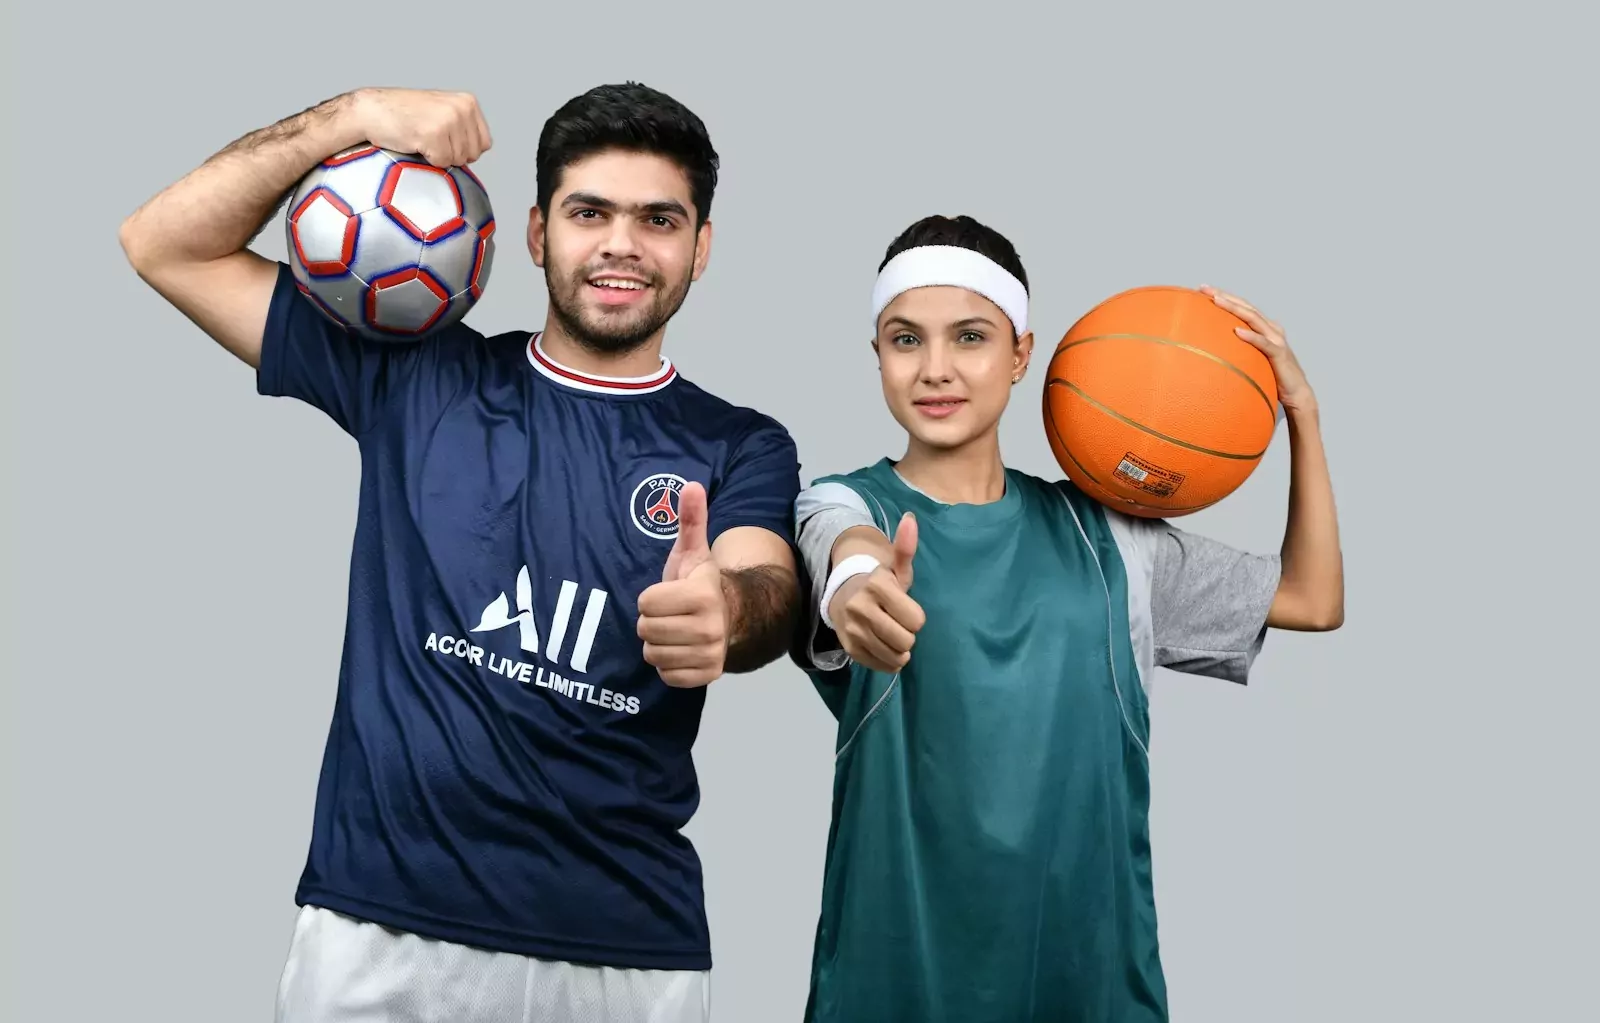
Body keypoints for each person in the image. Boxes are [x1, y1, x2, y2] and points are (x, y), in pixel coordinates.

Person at [118, 82, 804, 1022]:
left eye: (659, 219)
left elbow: (765, 575)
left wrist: (728, 609)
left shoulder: (742, 442)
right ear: (533, 234)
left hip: (623, 945)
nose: (620, 244)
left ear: (701, 247)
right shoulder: (419, 371)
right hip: (380, 925)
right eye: (588, 212)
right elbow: (162, 243)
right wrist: (347, 118)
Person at [790, 214, 1345, 1022]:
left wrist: (1302, 413)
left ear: (1022, 353)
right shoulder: (840, 502)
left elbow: (1312, 596)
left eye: (970, 337)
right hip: (893, 986)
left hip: (1088, 990)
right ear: (877, 353)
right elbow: (845, 546)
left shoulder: (1113, 539)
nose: (935, 369)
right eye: (905, 339)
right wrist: (857, 576)